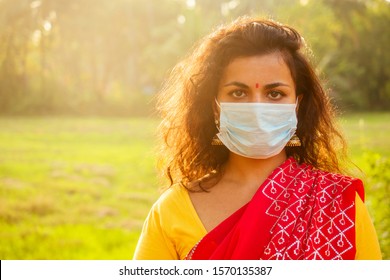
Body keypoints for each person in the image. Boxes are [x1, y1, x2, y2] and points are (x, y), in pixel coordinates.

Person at [133, 17, 382, 260]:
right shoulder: (172, 211)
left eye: (274, 93)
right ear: (215, 106)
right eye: (238, 92)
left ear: (297, 104)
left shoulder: (336, 204)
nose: (257, 108)